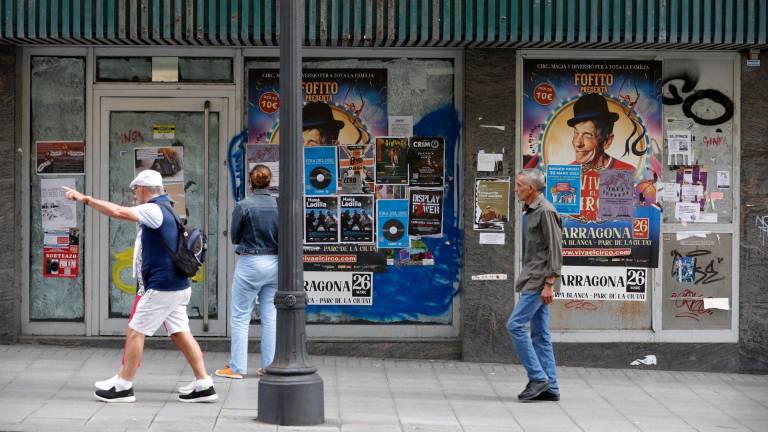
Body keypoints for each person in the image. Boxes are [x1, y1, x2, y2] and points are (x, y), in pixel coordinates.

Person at [63, 170, 217, 403]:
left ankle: (124, 386)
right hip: (177, 286)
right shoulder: (168, 208)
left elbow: (117, 211)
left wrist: (85, 199)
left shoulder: (154, 209)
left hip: (163, 287)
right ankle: (204, 384)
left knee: (136, 331)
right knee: (180, 333)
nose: (134, 194)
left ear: (144, 189)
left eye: (136, 190)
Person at [215, 165, 278, 379]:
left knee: (241, 316)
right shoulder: (280, 204)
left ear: (251, 183)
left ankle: (237, 367)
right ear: (270, 182)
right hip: (275, 262)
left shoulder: (244, 205)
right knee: (270, 315)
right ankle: (269, 366)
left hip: (251, 262)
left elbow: (234, 236)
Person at [507, 169, 563, 402]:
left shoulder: (545, 211)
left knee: (515, 325)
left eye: (519, 185)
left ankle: (539, 378)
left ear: (531, 189)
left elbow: (556, 249)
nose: (516, 188)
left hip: (539, 281)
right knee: (540, 334)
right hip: (534, 277)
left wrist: (550, 283)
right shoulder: (529, 210)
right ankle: (551, 387)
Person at [567, 93, 635, 171]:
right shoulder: (568, 172)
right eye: (576, 133)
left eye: (587, 135)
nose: (577, 143)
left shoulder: (628, 173)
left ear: (607, 141)